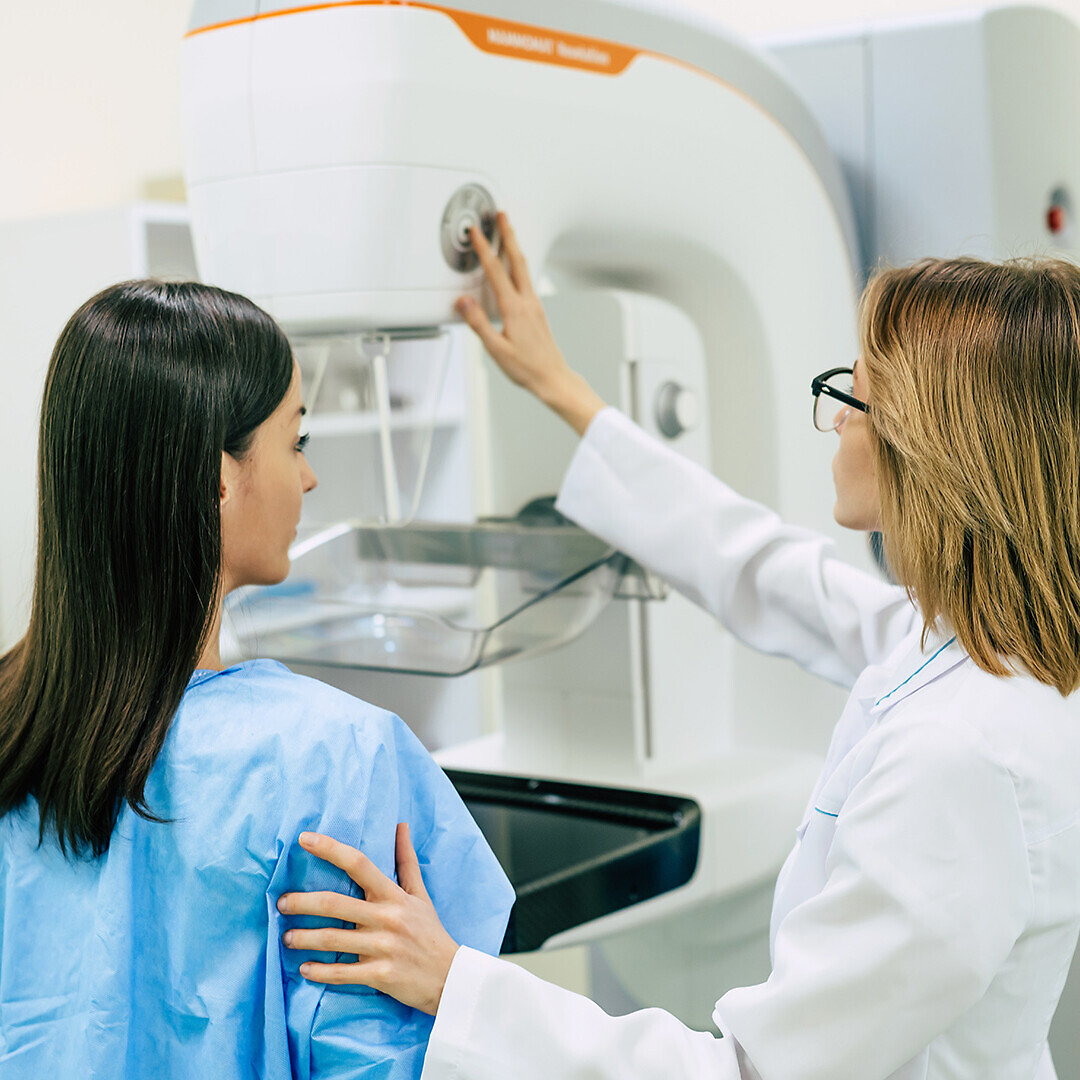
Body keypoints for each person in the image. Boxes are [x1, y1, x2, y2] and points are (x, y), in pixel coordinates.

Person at [275, 214, 1080, 1080]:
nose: (836, 414)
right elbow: (772, 573)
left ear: (932, 448)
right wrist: (561, 388)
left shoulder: (961, 755)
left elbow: (747, 1072)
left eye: (857, 391)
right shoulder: (984, 646)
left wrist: (456, 985)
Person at [0, 281, 514, 1078]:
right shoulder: (335, 755)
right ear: (217, 478)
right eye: (295, 441)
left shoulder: (12, 722)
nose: (308, 479)